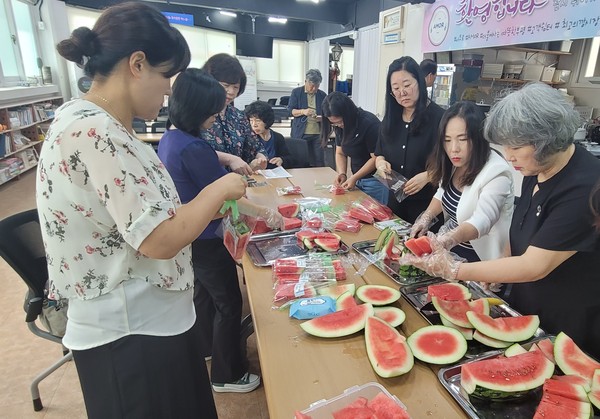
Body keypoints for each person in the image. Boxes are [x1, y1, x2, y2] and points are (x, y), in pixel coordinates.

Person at [36, 3, 246, 417]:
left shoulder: (99, 124)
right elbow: (159, 237)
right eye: (166, 75)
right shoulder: (95, 131)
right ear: (137, 64)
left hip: (148, 321)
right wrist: (220, 189)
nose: (169, 89)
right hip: (129, 332)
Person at [402, 83, 600, 359]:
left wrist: (455, 270)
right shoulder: (536, 168)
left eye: (516, 146)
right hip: (526, 307)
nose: (508, 155)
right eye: (505, 146)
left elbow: (534, 266)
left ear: (547, 139)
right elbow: (519, 229)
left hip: (567, 323)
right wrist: (497, 270)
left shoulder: (586, 188)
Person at [158, 69, 283, 393]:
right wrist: (265, 213)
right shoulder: (195, 149)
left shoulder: (172, 138)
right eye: (214, 110)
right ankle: (228, 374)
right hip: (209, 237)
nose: (218, 115)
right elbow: (226, 200)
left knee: (205, 296)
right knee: (228, 303)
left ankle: (207, 350)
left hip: (191, 237)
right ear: (198, 109)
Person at [410, 101, 514, 262]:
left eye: (462, 139)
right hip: (450, 252)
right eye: (448, 140)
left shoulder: (497, 172)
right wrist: (426, 218)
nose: (454, 148)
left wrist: (448, 239)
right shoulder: (453, 163)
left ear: (479, 137)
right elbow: (442, 192)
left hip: (479, 259)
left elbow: (483, 219)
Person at [375, 56, 446, 224]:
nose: (402, 92)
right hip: (394, 202)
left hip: (428, 206)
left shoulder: (440, 118)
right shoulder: (391, 119)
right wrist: (380, 163)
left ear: (420, 82)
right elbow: (379, 153)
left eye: (407, 85)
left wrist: (428, 176)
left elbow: (453, 161)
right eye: (396, 88)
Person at [201, 53, 268, 175]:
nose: (231, 92)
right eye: (225, 86)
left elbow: (254, 146)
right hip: (208, 184)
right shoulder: (197, 114)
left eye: (236, 87)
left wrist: (260, 158)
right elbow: (194, 151)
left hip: (236, 185)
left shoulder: (238, 116)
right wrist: (230, 159)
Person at [320, 91, 387, 204]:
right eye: (334, 124)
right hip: (356, 179)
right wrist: (342, 174)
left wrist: (354, 177)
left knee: (375, 216)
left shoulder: (369, 123)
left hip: (375, 180)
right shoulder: (340, 127)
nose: (339, 126)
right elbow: (340, 152)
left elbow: (375, 158)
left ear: (348, 113)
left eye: (340, 122)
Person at [288, 69, 328, 167]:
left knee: (319, 160)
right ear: (306, 82)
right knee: (300, 160)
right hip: (301, 133)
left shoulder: (322, 95)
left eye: (317, 86)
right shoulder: (297, 92)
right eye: (312, 86)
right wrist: (303, 111)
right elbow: (290, 111)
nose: (314, 89)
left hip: (318, 133)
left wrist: (321, 118)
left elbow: (328, 114)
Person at [244, 100, 293, 169]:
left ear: (267, 120)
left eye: (258, 120)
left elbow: (289, 158)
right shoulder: (248, 139)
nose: (254, 125)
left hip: (275, 175)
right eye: (251, 120)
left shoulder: (278, 137)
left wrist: (281, 160)